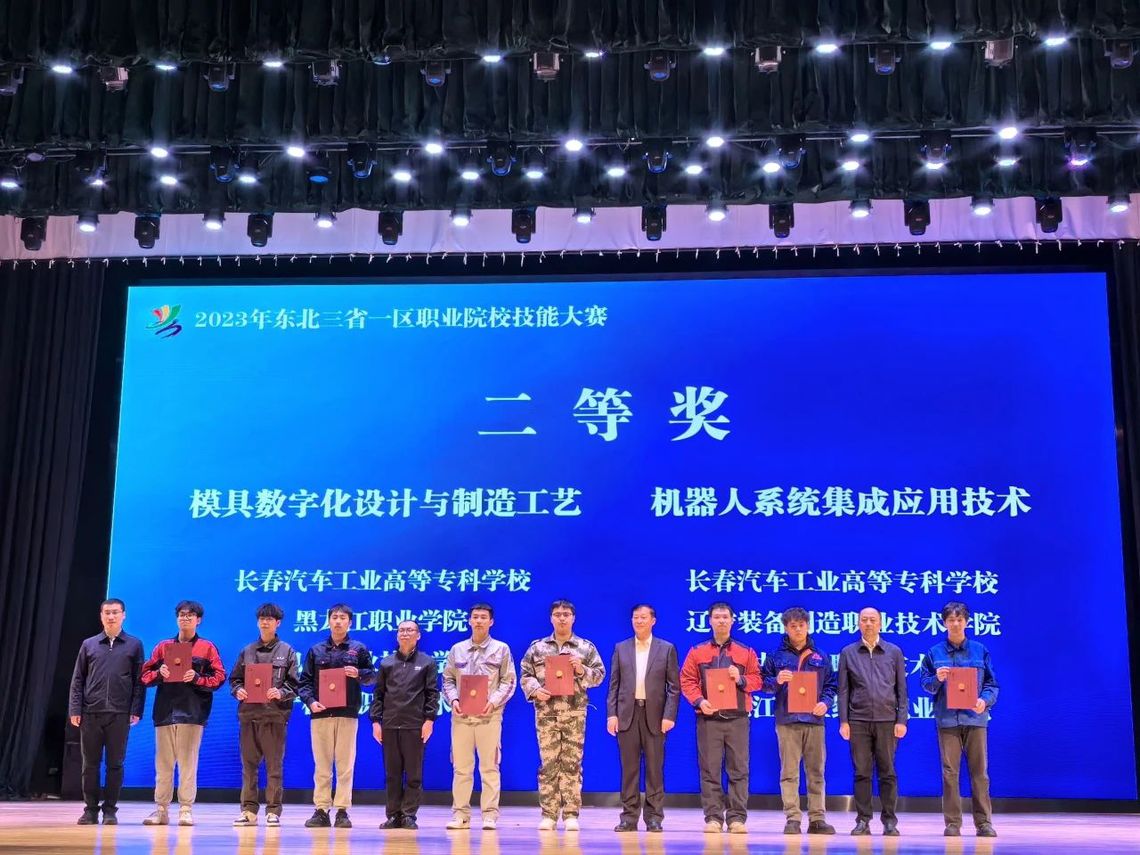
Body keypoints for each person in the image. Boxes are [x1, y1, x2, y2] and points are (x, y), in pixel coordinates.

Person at [520, 599, 606, 831]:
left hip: (574, 713)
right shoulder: (538, 648)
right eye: (557, 614)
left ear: (573, 618)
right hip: (547, 714)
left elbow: (599, 676)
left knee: (572, 765)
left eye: (566, 614)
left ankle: (570, 814)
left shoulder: (585, 648)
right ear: (551, 618)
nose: (562, 618)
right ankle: (548, 814)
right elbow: (525, 674)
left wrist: (581, 669)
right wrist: (535, 690)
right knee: (548, 765)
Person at [138, 600, 227, 826]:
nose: (185, 618)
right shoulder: (163, 647)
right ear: (176, 618)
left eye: (190, 615)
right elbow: (144, 676)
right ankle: (161, 809)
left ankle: (186, 809)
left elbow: (219, 678)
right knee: (163, 765)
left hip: (192, 713)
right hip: (165, 713)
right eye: (181, 614)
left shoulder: (207, 647)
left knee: (188, 764)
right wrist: (159, 673)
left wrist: (197, 678)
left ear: (199, 620)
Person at [679, 601, 762, 834]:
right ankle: (713, 818)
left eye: (725, 617)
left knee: (739, 770)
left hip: (738, 719)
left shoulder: (746, 652)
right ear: (710, 621)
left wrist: (741, 679)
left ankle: (737, 818)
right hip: (709, 719)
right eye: (717, 617)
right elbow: (687, 680)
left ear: (733, 621)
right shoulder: (697, 651)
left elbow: (758, 680)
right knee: (710, 770)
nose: (721, 621)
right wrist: (699, 701)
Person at [919, 601, 999, 838]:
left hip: (975, 719)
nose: (955, 624)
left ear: (967, 622)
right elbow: (925, 685)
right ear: (944, 623)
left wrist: (984, 700)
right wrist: (937, 678)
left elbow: (992, 684)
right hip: (947, 721)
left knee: (979, 773)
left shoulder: (980, 650)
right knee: (949, 773)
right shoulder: (934, 653)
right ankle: (953, 823)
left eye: (959, 619)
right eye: (951, 620)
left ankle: (983, 823)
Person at [760, 606, 838, 836]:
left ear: (808, 626)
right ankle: (792, 818)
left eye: (801, 625)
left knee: (816, 772)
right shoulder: (775, 657)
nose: (797, 629)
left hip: (814, 720)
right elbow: (763, 685)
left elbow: (831, 686)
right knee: (789, 772)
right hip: (787, 721)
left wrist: (825, 703)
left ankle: (817, 819)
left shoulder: (820, 656)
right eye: (792, 626)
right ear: (785, 628)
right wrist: (776, 680)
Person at [297, 603, 377, 829]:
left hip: (347, 713)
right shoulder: (316, 650)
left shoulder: (358, 649)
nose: (338, 621)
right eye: (334, 617)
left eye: (343, 617)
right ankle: (321, 809)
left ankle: (342, 810)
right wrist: (310, 702)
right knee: (322, 766)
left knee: (345, 765)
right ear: (329, 621)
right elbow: (304, 682)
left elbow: (372, 677)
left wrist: (359, 673)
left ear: (350, 622)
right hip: (321, 714)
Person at [68, 598, 145, 825]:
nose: (111, 616)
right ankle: (90, 810)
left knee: (115, 764)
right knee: (90, 765)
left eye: (115, 612)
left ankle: (110, 810)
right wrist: (75, 708)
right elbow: (78, 679)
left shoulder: (134, 644)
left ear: (124, 615)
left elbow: (139, 682)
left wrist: (136, 709)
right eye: (107, 613)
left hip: (120, 714)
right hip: (91, 713)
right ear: (101, 616)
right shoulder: (89, 644)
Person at [442, 603, 517, 831]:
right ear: (469, 621)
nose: (479, 621)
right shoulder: (457, 649)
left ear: (491, 622)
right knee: (461, 769)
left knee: (490, 768)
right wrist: (454, 700)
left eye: (483, 617)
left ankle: (489, 815)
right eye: (475, 617)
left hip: (489, 717)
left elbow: (509, 680)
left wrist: (493, 702)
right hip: (462, 718)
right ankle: (460, 815)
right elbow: (447, 680)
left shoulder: (501, 649)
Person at [606, 603, 680, 833]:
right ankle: (628, 817)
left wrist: (669, 715)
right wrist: (611, 714)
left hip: (655, 716)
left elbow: (674, 687)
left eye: (643, 617)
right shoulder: (621, 648)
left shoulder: (666, 648)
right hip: (627, 715)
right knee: (629, 770)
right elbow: (614, 685)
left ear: (653, 621)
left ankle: (654, 818)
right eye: (635, 617)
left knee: (654, 770)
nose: (638, 621)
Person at [838, 606, 908, 836]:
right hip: (858, 720)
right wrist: (844, 721)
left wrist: (901, 720)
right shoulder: (848, 652)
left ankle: (889, 821)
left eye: (872, 620)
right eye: (864, 620)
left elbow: (901, 689)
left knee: (888, 772)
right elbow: (843, 690)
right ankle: (863, 820)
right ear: (858, 623)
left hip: (887, 720)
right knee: (862, 772)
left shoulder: (893, 652)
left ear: (880, 623)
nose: (868, 623)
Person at [229, 602, 300, 827]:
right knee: (249, 767)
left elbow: (295, 684)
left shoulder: (287, 651)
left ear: (278, 623)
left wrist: (280, 692)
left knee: (274, 766)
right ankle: (248, 810)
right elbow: (235, 679)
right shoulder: (247, 651)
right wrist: (238, 690)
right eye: (261, 618)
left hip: (274, 717)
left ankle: (273, 811)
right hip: (249, 715)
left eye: (269, 619)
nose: (265, 622)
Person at [370, 619, 440, 830]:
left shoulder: (427, 662)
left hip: (415, 725)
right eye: (401, 630)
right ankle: (393, 815)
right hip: (390, 724)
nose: (405, 633)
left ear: (418, 635)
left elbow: (432, 694)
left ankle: (409, 814)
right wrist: (376, 722)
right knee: (392, 774)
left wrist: (429, 720)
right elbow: (378, 694)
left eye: (410, 630)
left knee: (413, 774)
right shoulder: (387, 663)